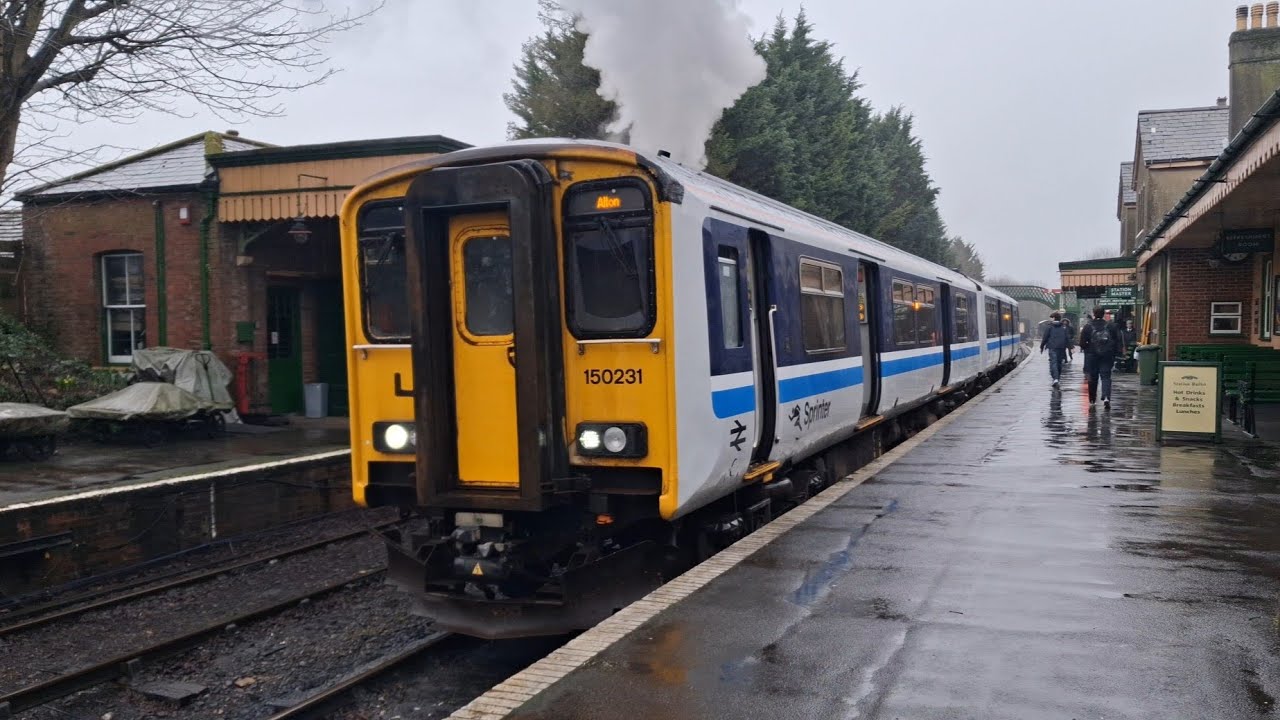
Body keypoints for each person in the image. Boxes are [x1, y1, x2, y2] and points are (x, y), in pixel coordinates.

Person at [1079, 306, 1124, 408]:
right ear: (1103, 314)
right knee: (1106, 376)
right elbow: (1117, 341)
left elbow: (1082, 343)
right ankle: (1106, 397)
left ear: (1094, 314)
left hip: (1092, 355)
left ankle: (1092, 399)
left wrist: (1088, 348)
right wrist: (1115, 353)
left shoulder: (1088, 327)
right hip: (1107, 355)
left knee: (1093, 377)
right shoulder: (1111, 326)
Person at [1039, 312, 1072, 388]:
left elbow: (1045, 337)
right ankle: (1057, 379)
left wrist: (1041, 346)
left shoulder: (1049, 327)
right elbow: (1067, 338)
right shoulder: (1063, 327)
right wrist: (1070, 347)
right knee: (1059, 363)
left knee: (1053, 363)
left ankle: (1055, 379)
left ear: (1053, 318)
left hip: (1052, 347)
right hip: (1061, 347)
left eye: (1051, 317)